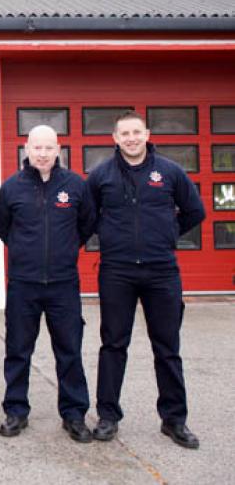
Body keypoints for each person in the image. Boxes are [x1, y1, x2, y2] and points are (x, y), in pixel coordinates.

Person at [87, 111, 205, 449]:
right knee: (113, 345)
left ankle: (174, 420)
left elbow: (195, 211)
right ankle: (108, 416)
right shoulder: (101, 175)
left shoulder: (169, 172)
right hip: (117, 271)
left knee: (167, 348)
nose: (131, 138)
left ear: (147, 133)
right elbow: (88, 216)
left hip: (161, 271)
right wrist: (111, 237)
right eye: (124, 133)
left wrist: (166, 235)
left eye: (136, 132)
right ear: (114, 138)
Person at [0, 125, 95, 443]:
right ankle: (16, 410)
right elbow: (3, 228)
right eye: (36, 147)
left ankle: (74, 414)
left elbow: (87, 224)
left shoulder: (76, 186)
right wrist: (27, 254)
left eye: (48, 147)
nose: (42, 153)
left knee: (69, 351)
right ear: (26, 149)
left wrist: (63, 253)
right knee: (18, 350)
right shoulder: (12, 188)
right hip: (23, 283)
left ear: (58, 150)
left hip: (64, 284)